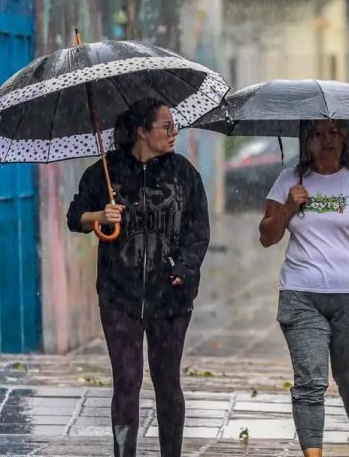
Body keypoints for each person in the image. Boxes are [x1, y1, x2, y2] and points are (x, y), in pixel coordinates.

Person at [66, 97, 209, 457]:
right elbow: (75, 217)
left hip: (171, 298)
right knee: (127, 382)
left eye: (173, 125)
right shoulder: (105, 172)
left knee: (167, 382)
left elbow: (198, 231)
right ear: (143, 132)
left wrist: (186, 269)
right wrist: (100, 214)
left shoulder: (184, 174)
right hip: (119, 297)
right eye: (165, 126)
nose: (173, 132)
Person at [258, 120, 349, 457]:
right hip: (301, 294)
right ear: (306, 141)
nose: (326, 141)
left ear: (345, 139)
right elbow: (267, 236)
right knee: (310, 382)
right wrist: (287, 207)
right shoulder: (288, 180)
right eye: (318, 134)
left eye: (334, 133)